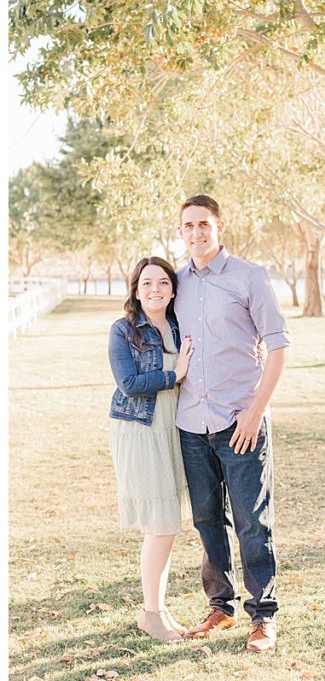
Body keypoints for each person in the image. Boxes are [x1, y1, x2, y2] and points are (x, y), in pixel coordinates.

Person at [174, 194, 291, 653]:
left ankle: (262, 616)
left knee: (252, 523)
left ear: (219, 227)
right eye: (188, 226)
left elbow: (279, 347)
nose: (197, 232)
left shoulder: (249, 277)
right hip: (191, 425)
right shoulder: (177, 282)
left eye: (204, 224)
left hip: (240, 422)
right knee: (206, 521)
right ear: (180, 232)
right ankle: (220, 607)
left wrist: (256, 411)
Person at [107, 256, 195, 642]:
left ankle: (159, 607)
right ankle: (150, 614)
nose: (155, 289)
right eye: (147, 283)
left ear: (173, 289)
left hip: (172, 427)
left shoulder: (179, 325)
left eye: (162, 282)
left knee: (168, 527)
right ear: (136, 290)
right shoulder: (123, 330)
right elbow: (128, 383)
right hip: (140, 429)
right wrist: (175, 375)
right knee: (160, 526)